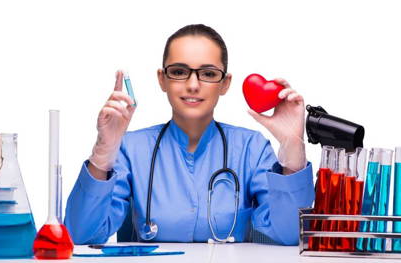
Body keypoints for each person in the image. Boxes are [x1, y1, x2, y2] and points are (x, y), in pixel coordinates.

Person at [65, 24, 314, 245]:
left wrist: (293, 148)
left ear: (225, 83)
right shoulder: (132, 148)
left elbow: (290, 234)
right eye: (179, 71)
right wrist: (103, 151)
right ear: (162, 80)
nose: (193, 84)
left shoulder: (251, 147)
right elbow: (81, 236)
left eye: (207, 74)